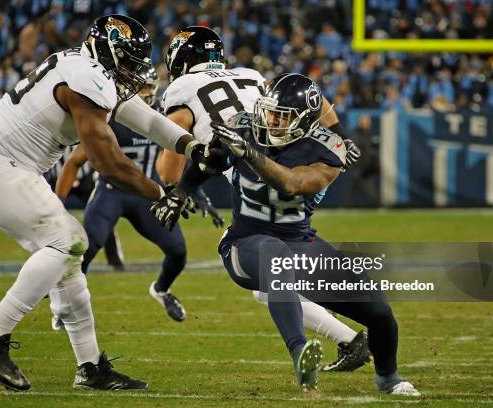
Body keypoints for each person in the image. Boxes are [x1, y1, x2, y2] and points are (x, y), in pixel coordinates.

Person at [0, 15, 215, 391]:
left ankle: (90, 368)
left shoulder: (87, 68)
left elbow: (149, 122)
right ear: (107, 51)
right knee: (67, 241)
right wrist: (162, 193)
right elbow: (110, 164)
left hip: (1, 163)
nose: (134, 73)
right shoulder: (85, 78)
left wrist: (193, 146)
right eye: (129, 62)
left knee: (69, 257)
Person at [152, 73, 420, 396]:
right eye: (270, 112)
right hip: (245, 243)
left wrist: (250, 154)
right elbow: (210, 159)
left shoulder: (328, 150)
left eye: (283, 117)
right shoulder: (245, 125)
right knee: (274, 254)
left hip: (301, 243)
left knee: (378, 311)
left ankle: (388, 379)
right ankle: (300, 355)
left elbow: (293, 183)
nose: (272, 121)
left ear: (307, 122)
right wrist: (182, 191)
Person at [155, 26, 369, 372]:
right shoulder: (249, 74)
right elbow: (315, 96)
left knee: (253, 260)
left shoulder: (181, 89)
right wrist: (340, 137)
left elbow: (174, 143)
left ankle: (339, 340)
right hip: (300, 159)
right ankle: (351, 338)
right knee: (271, 274)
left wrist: (174, 189)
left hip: (262, 175)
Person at [51, 68, 220, 324]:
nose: (145, 94)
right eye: (140, 88)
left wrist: (195, 191)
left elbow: (177, 163)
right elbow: (74, 163)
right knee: (88, 247)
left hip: (147, 195)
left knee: (178, 251)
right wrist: (58, 206)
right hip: (111, 193)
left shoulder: (161, 120)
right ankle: (66, 304)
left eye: (149, 88)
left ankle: (161, 290)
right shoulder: (110, 121)